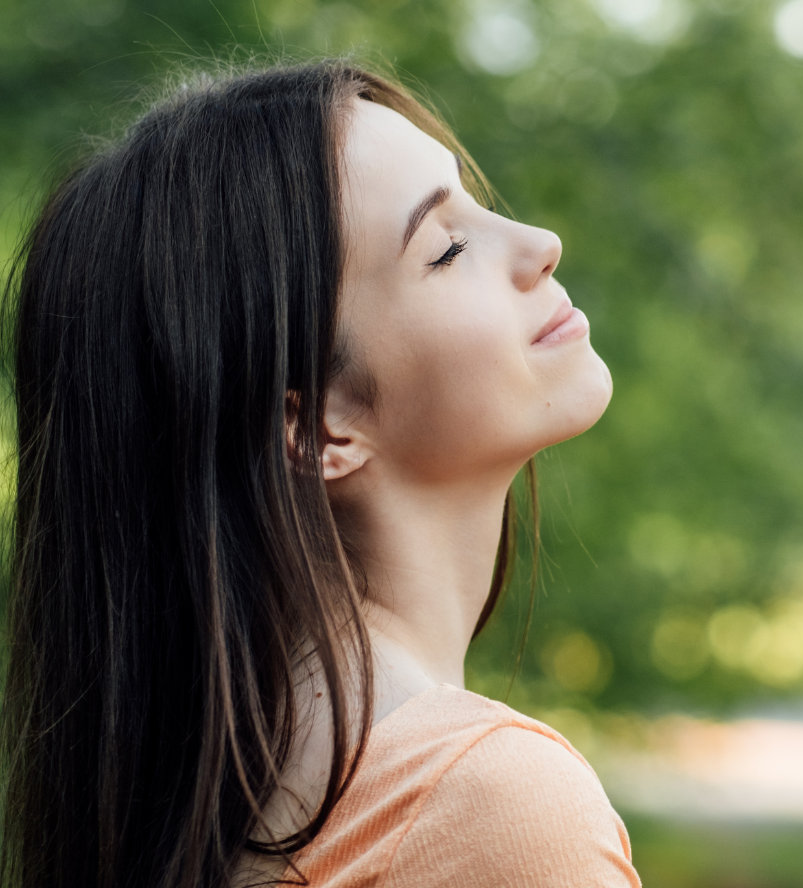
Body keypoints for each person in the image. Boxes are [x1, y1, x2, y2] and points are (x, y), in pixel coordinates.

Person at [0, 61, 640, 888]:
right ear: (313, 423)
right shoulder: (488, 804)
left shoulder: (205, 811)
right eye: (446, 249)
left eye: (480, 208)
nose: (541, 244)